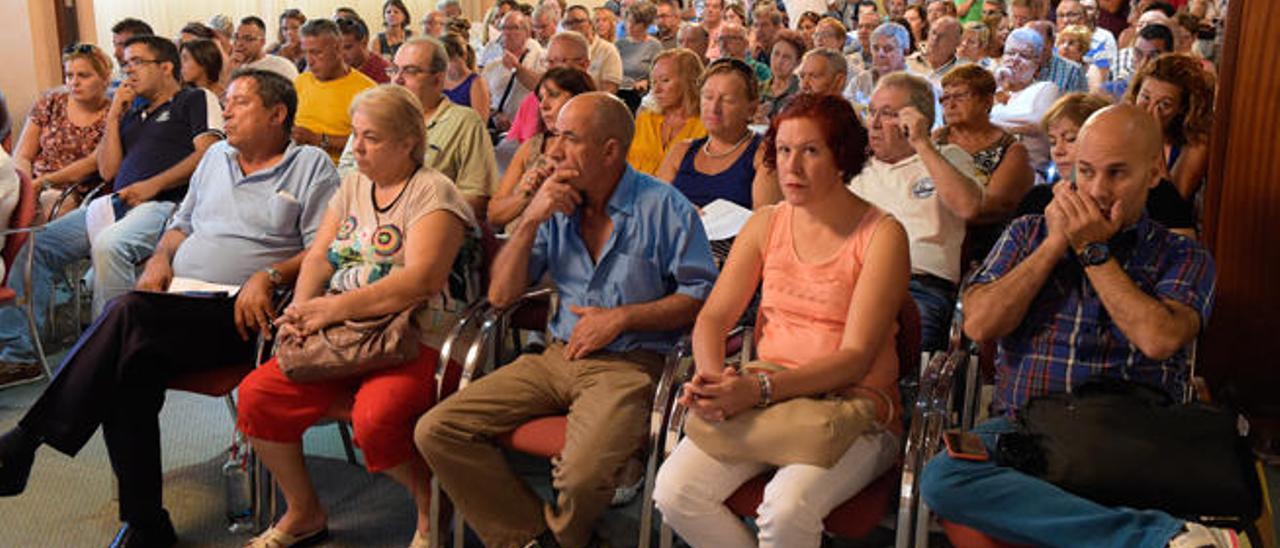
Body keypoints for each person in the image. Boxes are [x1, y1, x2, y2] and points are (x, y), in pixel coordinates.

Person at [0, 69, 337, 544]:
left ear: (277, 114)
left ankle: (25, 442)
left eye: (239, 103)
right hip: (181, 303)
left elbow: (322, 248)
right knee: (125, 370)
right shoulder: (217, 156)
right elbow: (180, 225)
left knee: (128, 314)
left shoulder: (310, 166)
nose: (228, 112)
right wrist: (160, 256)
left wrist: (269, 274)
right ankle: (146, 523)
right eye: (227, 101)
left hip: (245, 312)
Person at [918, 104, 1234, 548]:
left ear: (1154, 172)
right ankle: (1160, 540)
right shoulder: (1028, 233)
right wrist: (1053, 247)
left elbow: (1158, 339)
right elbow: (981, 325)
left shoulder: (1182, 255)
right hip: (1024, 429)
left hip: (1132, 431)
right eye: (1085, 172)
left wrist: (1093, 253)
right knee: (944, 476)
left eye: (1117, 174)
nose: (1097, 190)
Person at [416, 92, 718, 548]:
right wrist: (532, 219)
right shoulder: (555, 205)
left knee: (579, 477)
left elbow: (700, 297)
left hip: (630, 366)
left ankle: (560, 538)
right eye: (555, 135)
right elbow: (500, 296)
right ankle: (536, 537)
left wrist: (622, 318)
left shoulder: (665, 208)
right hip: (556, 356)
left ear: (610, 150)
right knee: (437, 430)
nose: (554, 149)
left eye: (569, 138)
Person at [653, 93, 907, 548]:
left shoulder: (882, 235)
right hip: (768, 395)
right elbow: (713, 318)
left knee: (786, 508)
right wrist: (713, 383)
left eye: (811, 151)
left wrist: (755, 390)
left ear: (842, 157)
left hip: (855, 409)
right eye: (785, 150)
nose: (792, 167)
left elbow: (855, 358)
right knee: (675, 492)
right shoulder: (766, 223)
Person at [237, 83, 472, 548]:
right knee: (257, 395)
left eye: (371, 138)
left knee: (375, 417)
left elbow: (419, 281)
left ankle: (431, 513)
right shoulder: (354, 185)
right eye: (355, 135)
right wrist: (304, 309)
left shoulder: (433, 192)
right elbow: (320, 255)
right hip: (343, 332)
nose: (356, 148)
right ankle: (304, 512)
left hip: (415, 336)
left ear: (408, 141)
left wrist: (329, 308)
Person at [0, 35, 224, 385]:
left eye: (137, 62)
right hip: (115, 203)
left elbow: (209, 153)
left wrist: (156, 184)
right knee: (34, 247)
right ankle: (20, 354)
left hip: (166, 204)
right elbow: (107, 171)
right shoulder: (132, 111)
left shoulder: (194, 99)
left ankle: (112, 353)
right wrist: (115, 117)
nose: (128, 70)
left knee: (110, 246)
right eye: (125, 64)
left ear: (166, 67)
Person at [848, 72, 982, 352]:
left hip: (919, 285)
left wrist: (921, 143)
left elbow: (968, 207)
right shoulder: (856, 167)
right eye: (871, 112)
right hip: (853, 279)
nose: (873, 124)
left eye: (887, 114)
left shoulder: (949, 157)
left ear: (918, 120)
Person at [340, 37, 499, 220]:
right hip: (366, 224)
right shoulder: (374, 116)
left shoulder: (464, 123)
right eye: (394, 70)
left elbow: (477, 200)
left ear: (438, 79)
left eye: (410, 71)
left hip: (430, 230)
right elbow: (345, 176)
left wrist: (411, 206)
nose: (397, 80)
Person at [1018, 92, 1195, 237]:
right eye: (1053, 141)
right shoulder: (1038, 199)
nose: (1058, 150)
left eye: (1071, 139)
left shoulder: (1158, 196)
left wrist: (1091, 248)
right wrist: (1054, 245)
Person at [935, 64, 1035, 268]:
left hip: (981, 247)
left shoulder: (1012, 150)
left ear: (987, 101)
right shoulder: (935, 140)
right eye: (945, 98)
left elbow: (987, 208)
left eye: (960, 96)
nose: (950, 104)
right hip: (933, 234)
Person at [657, 59, 780, 211]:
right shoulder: (681, 151)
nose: (714, 108)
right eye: (708, 97)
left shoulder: (763, 155)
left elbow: (765, 225)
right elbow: (654, 210)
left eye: (727, 100)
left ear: (751, 109)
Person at [12, 43, 110, 220]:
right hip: (31, 181)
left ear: (105, 78)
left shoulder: (112, 113)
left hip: (72, 189)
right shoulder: (51, 102)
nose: (74, 82)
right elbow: (23, 155)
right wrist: (26, 187)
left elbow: (92, 162)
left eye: (83, 76)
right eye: (69, 76)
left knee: (49, 203)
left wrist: (43, 183)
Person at [489, 68, 596, 229]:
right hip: (520, 245)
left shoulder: (597, 151)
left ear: (578, 98)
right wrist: (525, 197)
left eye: (553, 95)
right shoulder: (532, 147)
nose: (543, 105)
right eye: (540, 98)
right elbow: (494, 216)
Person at [1125, 53, 1213, 201]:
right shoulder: (1121, 126)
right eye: (1145, 97)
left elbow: (1171, 207)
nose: (1150, 109)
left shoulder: (1196, 141)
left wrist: (1155, 141)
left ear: (1182, 109)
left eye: (1164, 105)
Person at [293, 19, 377, 164]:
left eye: (316, 53)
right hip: (295, 163)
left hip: (338, 169)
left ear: (338, 48)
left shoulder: (366, 91)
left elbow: (372, 144)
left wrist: (317, 139)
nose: (309, 61)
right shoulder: (300, 82)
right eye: (306, 53)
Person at [628, 49, 707, 176]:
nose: (656, 90)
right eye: (653, 82)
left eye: (665, 80)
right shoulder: (644, 120)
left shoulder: (707, 126)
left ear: (688, 81)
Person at [992, 28, 1061, 173]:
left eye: (1024, 56)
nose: (1014, 60)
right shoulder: (993, 91)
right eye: (1010, 53)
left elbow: (1036, 123)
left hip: (1027, 173)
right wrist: (995, 87)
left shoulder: (1046, 88)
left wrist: (984, 125)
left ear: (1037, 65)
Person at [479, 11, 544, 133]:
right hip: (499, 130)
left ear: (526, 33)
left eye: (514, 28)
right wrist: (494, 115)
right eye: (504, 28)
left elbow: (540, 86)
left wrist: (517, 68)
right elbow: (482, 99)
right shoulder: (492, 66)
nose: (507, 33)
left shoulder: (540, 58)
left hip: (530, 130)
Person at [846, 22, 913, 109]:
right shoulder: (861, 80)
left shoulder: (919, 87)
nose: (880, 54)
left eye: (888, 49)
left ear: (905, 53)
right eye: (875, 48)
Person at [561, 5, 625, 94]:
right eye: (568, 23)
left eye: (578, 21)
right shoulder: (561, 51)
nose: (573, 26)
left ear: (590, 23)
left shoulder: (607, 50)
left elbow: (610, 90)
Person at [617, 1, 664, 111]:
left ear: (645, 25)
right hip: (619, 91)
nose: (630, 26)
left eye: (635, 23)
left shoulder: (654, 46)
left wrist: (647, 81)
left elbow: (659, 74)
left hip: (639, 96)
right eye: (628, 21)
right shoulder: (619, 45)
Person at [1027, 20, 1088, 94]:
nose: (1034, 51)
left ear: (1052, 43)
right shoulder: (1015, 65)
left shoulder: (1072, 71)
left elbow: (1079, 103)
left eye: (1040, 46)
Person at [759, 30, 807, 122]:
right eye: (776, 54)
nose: (779, 61)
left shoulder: (801, 93)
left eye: (786, 57)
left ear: (798, 62)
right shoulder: (758, 89)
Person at [231, 16, 300, 81]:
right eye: (236, 37)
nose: (239, 43)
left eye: (248, 39)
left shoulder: (281, 67)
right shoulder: (233, 66)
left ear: (262, 42)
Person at [442, 32, 491, 121]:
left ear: (463, 57)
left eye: (450, 61)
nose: (447, 67)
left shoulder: (476, 83)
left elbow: (480, 123)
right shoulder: (438, 80)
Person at [336, 16, 393, 84]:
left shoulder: (384, 73)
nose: (342, 54)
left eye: (348, 47)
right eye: (337, 49)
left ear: (364, 42)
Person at [917, 16, 962, 85]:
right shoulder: (910, 62)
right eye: (933, 33)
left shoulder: (961, 74)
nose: (935, 39)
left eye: (943, 35)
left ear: (958, 42)